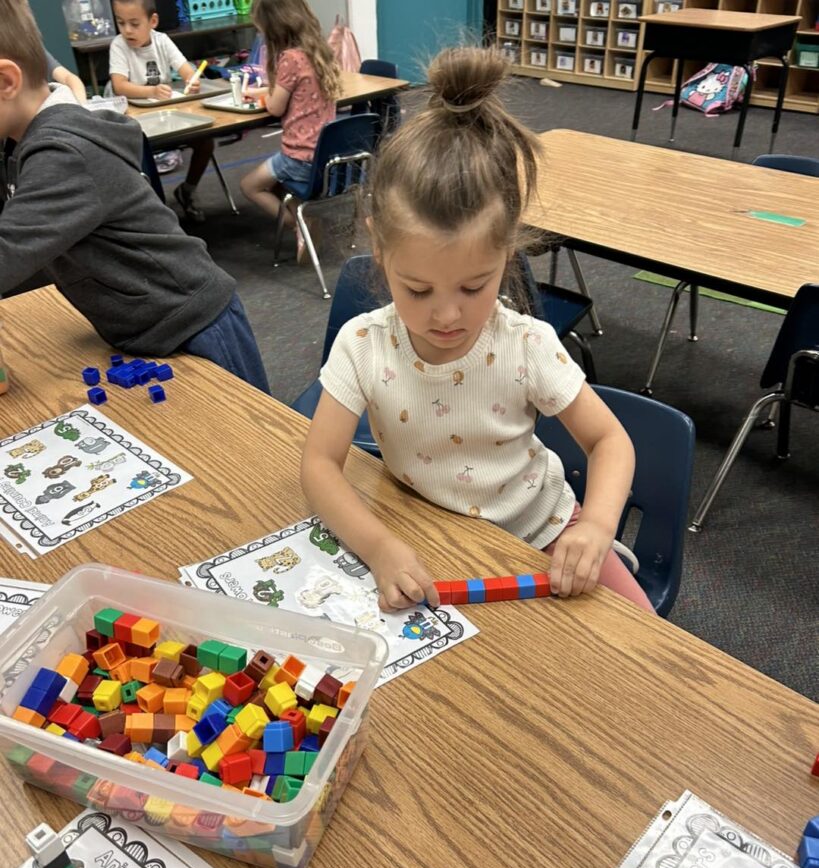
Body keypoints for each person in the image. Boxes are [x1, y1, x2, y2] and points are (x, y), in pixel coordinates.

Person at [301, 46, 654, 613]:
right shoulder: (363, 346)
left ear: (508, 252)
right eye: (418, 290)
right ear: (379, 247)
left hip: (548, 542)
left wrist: (596, 527)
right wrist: (379, 548)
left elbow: (610, 441)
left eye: (474, 287)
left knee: (647, 651)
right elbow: (319, 466)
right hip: (430, 535)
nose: (447, 317)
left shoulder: (525, 346)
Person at [0, 0, 269, 394]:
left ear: (7, 82)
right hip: (145, 329)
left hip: (194, 324)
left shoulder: (63, 154)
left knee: (256, 447)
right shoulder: (25, 145)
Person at [240, 0, 340, 264]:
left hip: (299, 160)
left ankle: (299, 223)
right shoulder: (318, 52)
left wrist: (263, 95)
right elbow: (297, 91)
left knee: (250, 185)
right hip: (328, 157)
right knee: (273, 179)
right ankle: (302, 217)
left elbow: (275, 107)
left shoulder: (289, 59)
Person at [108, 0, 213, 222]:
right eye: (121, 23)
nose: (127, 30)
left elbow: (186, 70)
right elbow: (119, 85)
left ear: (153, 21)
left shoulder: (162, 41)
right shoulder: (119, 45)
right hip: (136, 119)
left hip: (167, 115)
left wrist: (191, 80)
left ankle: (188, 189)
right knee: (137, 153)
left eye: (134, 24)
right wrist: (152, 90)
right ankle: (151, 208)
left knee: (205, 141)